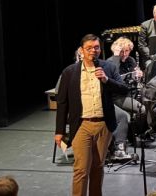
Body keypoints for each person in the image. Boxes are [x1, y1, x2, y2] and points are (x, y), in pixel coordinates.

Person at [55, 35, 127, 196]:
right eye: (89, 48)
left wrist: (107, 80)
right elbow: (62, 103)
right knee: (81, 169)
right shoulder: (70, 72)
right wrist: (59, 131)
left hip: (103, 125)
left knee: (98, 167)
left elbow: (124, 89)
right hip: (82, 125)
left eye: (96, 47)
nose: (93, 51)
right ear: (81, 50)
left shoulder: (108, 67)